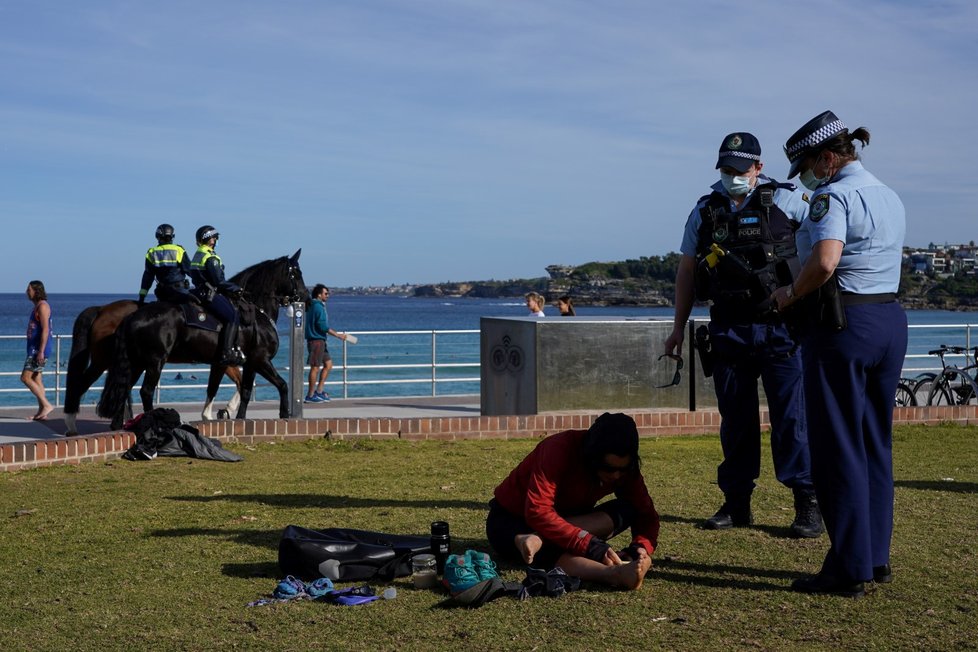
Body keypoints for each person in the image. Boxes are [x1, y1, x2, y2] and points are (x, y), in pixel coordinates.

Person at [773, 111, 907, 597]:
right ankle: (875, 556)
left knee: (836, 447)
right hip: (890, 319)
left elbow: (826, 260)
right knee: (875, 442)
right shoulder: (888, 194)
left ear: (827, 157)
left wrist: (789, 295)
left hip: (843, 323)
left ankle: (848, 567)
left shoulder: (833, 195)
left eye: (809, 164)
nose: (807, 176)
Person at [663, 132, 822, 538]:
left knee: (792, 419)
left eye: (739, 169)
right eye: (725, 169)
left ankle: (807, 502)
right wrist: (678, 327)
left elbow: (823, 254)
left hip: (781, 328)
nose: (732, 175)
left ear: (758, 168)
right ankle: (737, 503)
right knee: (735, 421)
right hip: (729, 329)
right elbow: (686, 271)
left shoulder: (790, 201)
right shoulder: (705, 210)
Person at [486, 412, 657, 590]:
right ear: (592, 457)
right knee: (540, 548)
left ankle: (539, 538)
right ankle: (613, 574)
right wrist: (590, 545)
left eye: (622, 470)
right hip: (511, 522)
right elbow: (538, 511)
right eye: (608, 468)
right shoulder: (558, 449)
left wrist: (640, 548)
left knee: (627, 510)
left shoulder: (626, 471)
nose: (615, 476)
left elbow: (645, 513)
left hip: (563, 522)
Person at [189, 225, 246, 367]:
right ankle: (227, 352)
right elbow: (219, 282)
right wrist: (236, 288)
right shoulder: (210, 257)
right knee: (233, 316)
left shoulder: (198, 254)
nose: (216, 240)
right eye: (214, 237)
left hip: (197, 291)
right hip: (208, 293)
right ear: (210, 240)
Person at [304, 284, 348, 403]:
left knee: (328, 365)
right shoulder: (318, 307)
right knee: (315, 367)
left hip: (320, 340)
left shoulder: (312, 305)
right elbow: (323, 326)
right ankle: (310, 395)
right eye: (326, 293)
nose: (328, 296)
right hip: (316, 340)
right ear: (319, 294)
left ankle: (319, 391)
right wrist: (338, 335)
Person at [22, 280, 54, 421]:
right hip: (34, 348)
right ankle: (42, 412)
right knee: (36, 378)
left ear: (36, 291)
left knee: (25, 378)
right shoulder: (37, 307)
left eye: (29, 289)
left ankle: (46, 405)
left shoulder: (43, 307)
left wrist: (40, 351)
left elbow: (46, 329)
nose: (26, 292)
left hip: (38, 350)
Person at [138, 223, 192, 305]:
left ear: (157, 236)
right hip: (180, 291)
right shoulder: (179, 250)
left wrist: (142, 297)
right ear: (172, 236)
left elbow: (148, 277)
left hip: (163, 293)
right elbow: (190, 271)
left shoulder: (152, 252)